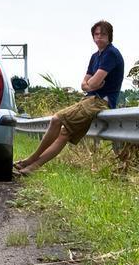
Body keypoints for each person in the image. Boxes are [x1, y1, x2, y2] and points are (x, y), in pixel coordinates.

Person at [14, 21, 124, 176]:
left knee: (56, 119)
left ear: (109, 36)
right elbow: (84, 85)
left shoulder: (111, 53)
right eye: (97, 34)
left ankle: (31, 161)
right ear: (93, 36)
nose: (99, 38)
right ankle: (31, 167)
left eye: (103, 34)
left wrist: (91, 84)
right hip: (90, 99)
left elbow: (94, 82)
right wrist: (89, 85)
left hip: (100, 101)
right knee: (64, 134)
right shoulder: (95, 57)